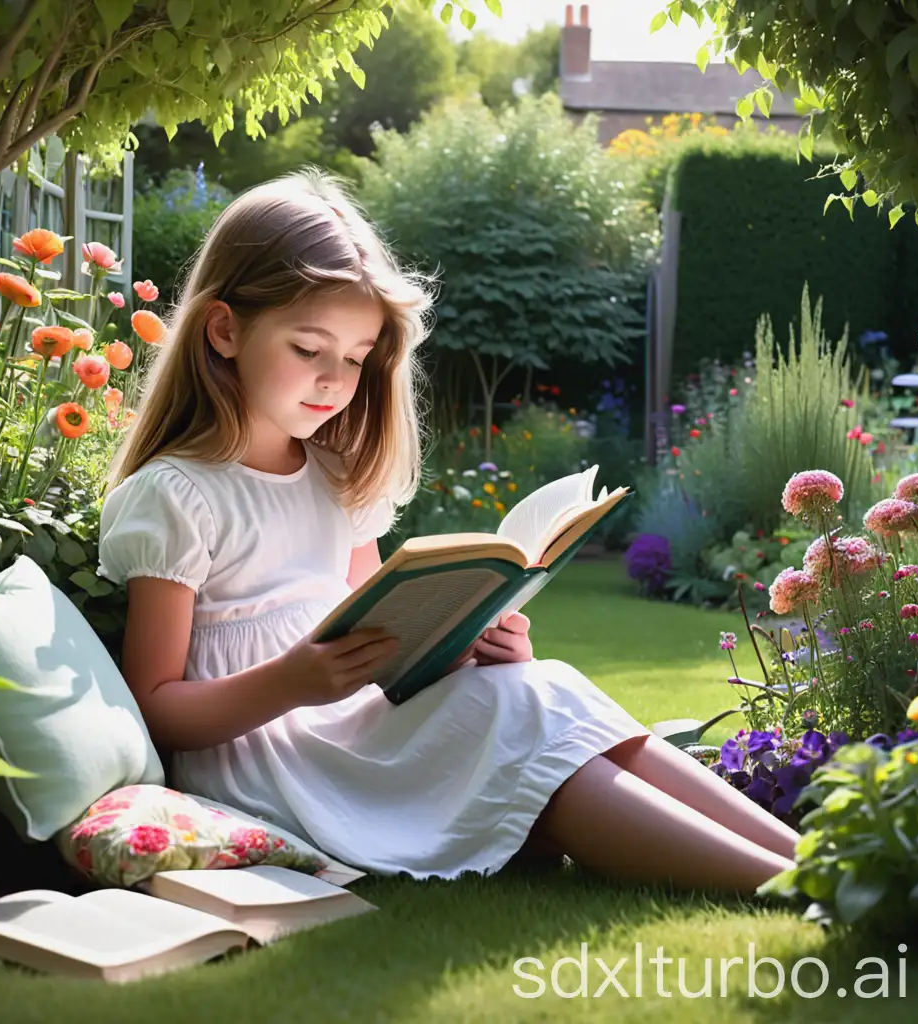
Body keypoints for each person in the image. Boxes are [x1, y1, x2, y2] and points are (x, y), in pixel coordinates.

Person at [98, 169, 799, 895]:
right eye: (309, 349)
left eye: (356, 357)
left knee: (538, 685)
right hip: (278, 756)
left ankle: (815, 858)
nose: (335, 380)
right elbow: (154, 703)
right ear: (224, 330)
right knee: (523, 729)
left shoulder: (332, 473)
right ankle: (791, 887)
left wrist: (467, 643)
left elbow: (378, 631)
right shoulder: (176, 494)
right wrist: (291, 681)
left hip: (353, 722)